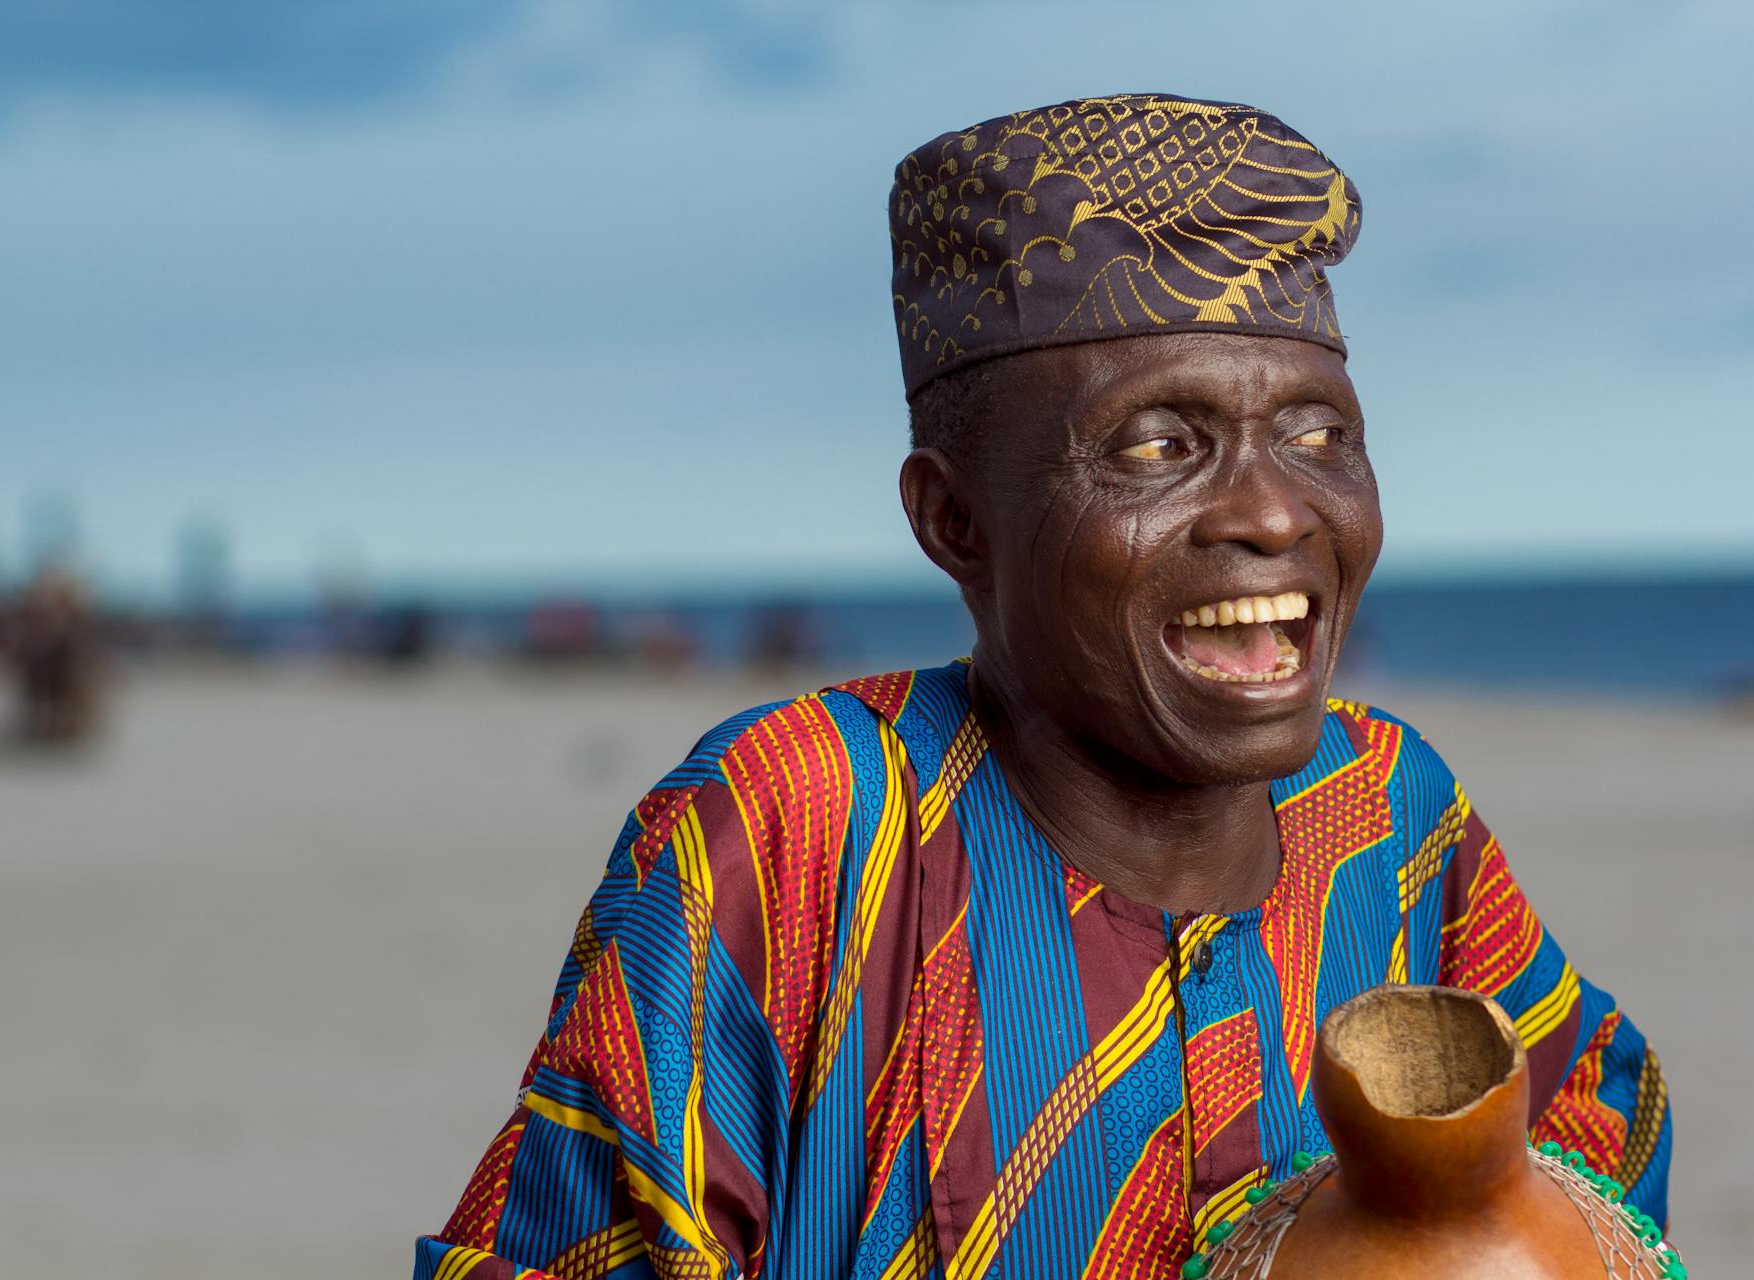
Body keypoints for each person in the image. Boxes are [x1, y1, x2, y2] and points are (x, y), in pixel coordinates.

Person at [414, 94, 1671, 1280]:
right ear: (954, 519)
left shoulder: (1391, 811)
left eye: (1319, 432)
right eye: (1158, 444)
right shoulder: (795, 829)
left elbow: (1593, 1140)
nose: (1277, 509)